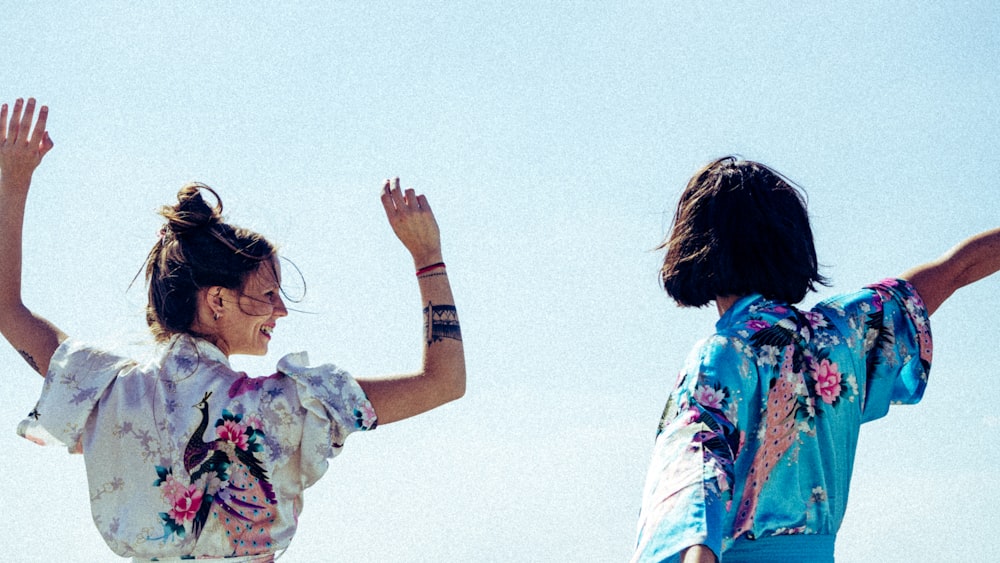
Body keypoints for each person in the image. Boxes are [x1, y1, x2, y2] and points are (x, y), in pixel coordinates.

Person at [0, 98, 466, 562]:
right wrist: (428, 258)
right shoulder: (280, 408)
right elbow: (445, 382)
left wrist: (14, 180)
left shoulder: (107, 391)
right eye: (267, 295)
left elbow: (6, 308)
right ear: (217, 300)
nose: (280, 312)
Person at [631, 156, 1000, 563]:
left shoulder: (723, 354)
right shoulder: (842, 333)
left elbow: (696, 472)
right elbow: (957, 268)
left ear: (697, 244)